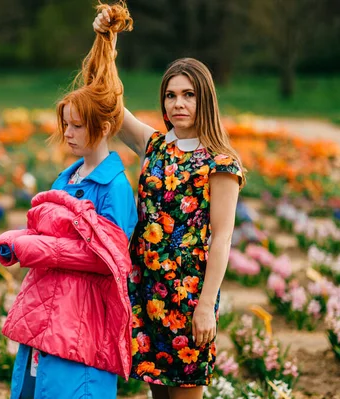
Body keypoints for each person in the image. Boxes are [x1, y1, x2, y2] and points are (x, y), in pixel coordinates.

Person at [93, 7, 245, 399]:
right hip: (145, 291)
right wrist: (106, 41)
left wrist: (206, 305)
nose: (179, 104)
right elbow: (108, 102)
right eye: (172, 95)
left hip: (189, 296)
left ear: (204, 99)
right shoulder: (155, 146)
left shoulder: (221, 163)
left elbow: (222, 238)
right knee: (156, 395)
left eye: (189, 95)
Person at [0, 3, 138, 398]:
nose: (69, 134)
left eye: (78, 126)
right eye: (67, 125)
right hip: (47, 313)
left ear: (105, 127)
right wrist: (29, 241)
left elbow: (107, 256)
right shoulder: (68, 175)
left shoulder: (114, 187)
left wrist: (38, 246)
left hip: (81, 322)